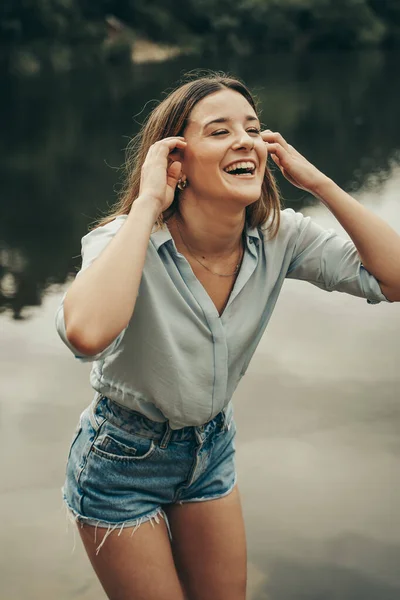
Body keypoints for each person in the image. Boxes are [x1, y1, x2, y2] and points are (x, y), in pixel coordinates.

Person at [56, 72, 400, 600]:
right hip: (120, 460)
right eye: (219, 131)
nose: (245, 140)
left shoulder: (281, 237)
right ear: (176, 161)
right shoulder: (123, 241)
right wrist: (148, 202)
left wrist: (321, 185)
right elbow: (85, 333)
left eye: (253, 128)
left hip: (210, 448)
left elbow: (394, 279)